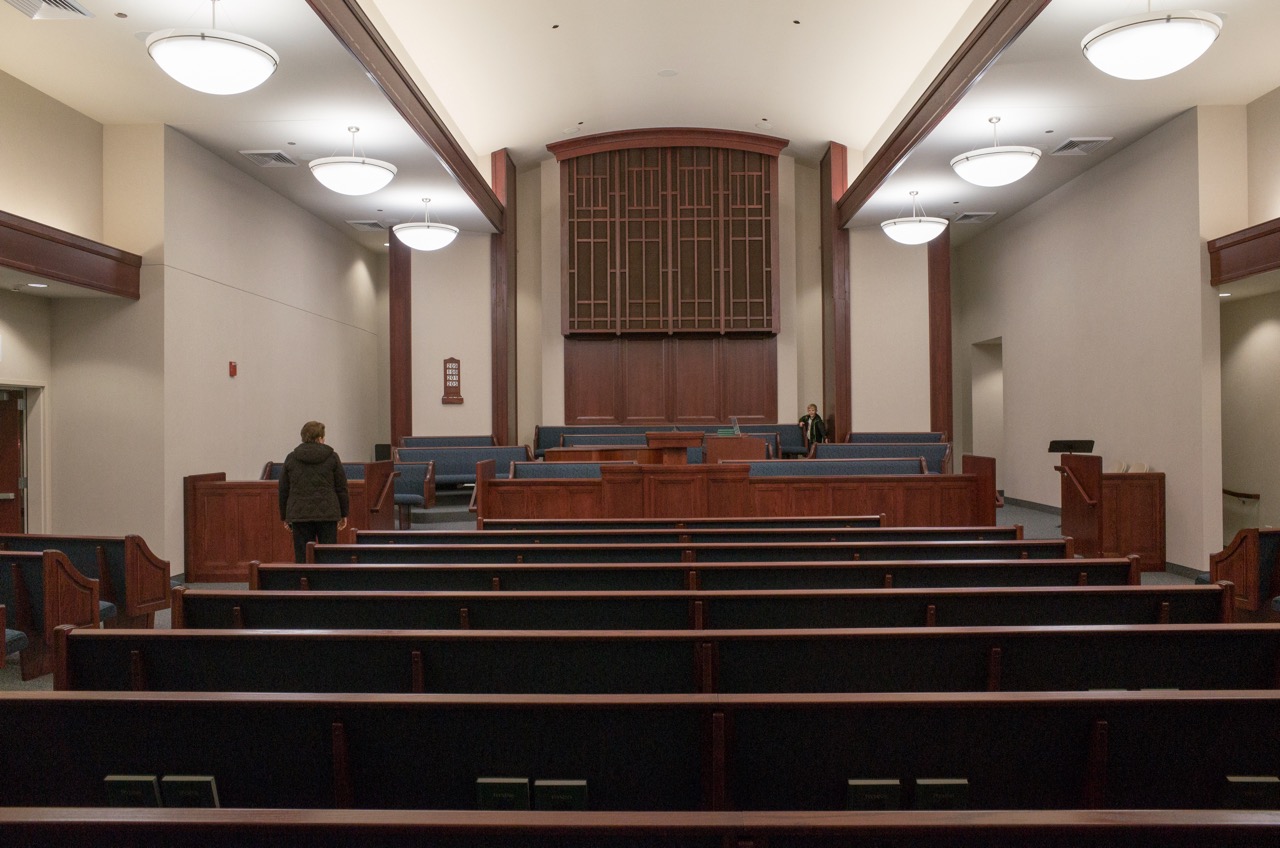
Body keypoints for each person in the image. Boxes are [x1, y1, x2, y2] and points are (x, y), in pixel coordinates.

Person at [279, 420, 349, 563]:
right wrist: (343, 513)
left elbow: (284, 489)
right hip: (327, 513)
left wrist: (285, 516)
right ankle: (326, 585)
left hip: (299, 513)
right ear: (319, 438)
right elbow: (341, 487)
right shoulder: (332, 457)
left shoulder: (291, 458)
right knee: (329, 557)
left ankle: (305, 583)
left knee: (302, 557)